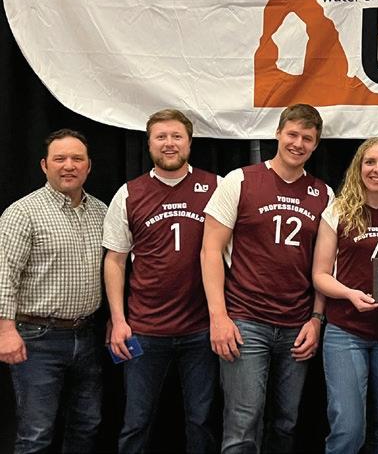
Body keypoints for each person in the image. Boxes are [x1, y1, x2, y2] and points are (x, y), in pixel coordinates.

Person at [201, 103, 333, 454]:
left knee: (286, 422)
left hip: (296, 324)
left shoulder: (324, 194)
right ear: (277, 133)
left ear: (316, 144)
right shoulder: (240, 180)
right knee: (243, 423)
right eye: (292, 134)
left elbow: (326, 267)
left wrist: (316, 319)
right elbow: (210, 250)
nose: (298, 144)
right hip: (246, 321)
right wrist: (218, 316)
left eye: (307, 138)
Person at [104, 109, 219, 453]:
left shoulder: (217, 187)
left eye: (177, 136)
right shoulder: (129, 193)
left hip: (202, 330)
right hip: (144, 329)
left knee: (202, 421)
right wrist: (119, 320)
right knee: (136, 422)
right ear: (149, 143)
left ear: (190, 142)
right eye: (161, 137)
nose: (169, 144)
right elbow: (115, 261)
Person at [0, 129, 107, 453]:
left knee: (87, 425)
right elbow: (4, 275)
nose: (69, 165)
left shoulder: (101, 211)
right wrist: (5, 331)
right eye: (60, 159)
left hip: (87, 336)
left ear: (89, 166)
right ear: (44, 165)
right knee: (36, 433)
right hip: (37, 339)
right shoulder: (23, 213)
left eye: (77, 158)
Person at [312, 137, 378, 454]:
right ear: (358, 168)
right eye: (370, 162)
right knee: (348, 428)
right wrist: (350, 294)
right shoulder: (338, 211)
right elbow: (320, 275)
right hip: (346, 331)